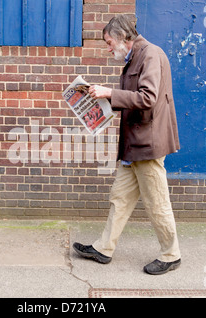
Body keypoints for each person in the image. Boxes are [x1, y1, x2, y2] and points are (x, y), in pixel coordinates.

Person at [72, 15, 182, 275]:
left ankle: (171, 254)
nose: (109, 48)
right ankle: (103, 248)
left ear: (123, 37)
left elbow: (148, 98)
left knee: (157, 202)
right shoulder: (135, 57)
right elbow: (133, 99)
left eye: (109, 42)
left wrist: (109, 93)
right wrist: (100, 104)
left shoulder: (150, 55)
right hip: (134, 145)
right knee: (119, 199)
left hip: (147, 145)